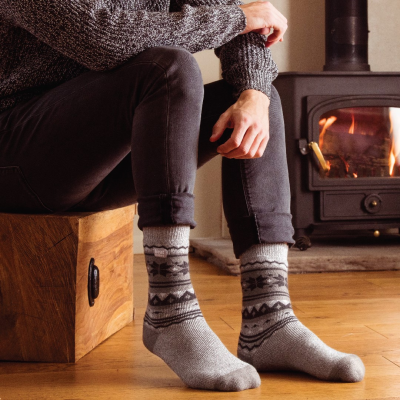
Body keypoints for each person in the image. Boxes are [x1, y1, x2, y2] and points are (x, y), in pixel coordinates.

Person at [0, 0, 365, 392]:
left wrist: (254, 91)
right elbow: (102, 38)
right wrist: (238, 18)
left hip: (95, 161)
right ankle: (169, 307)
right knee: (167, 68)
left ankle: (269, 318)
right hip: (18, 152)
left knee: (252, 100)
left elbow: (238, 36)